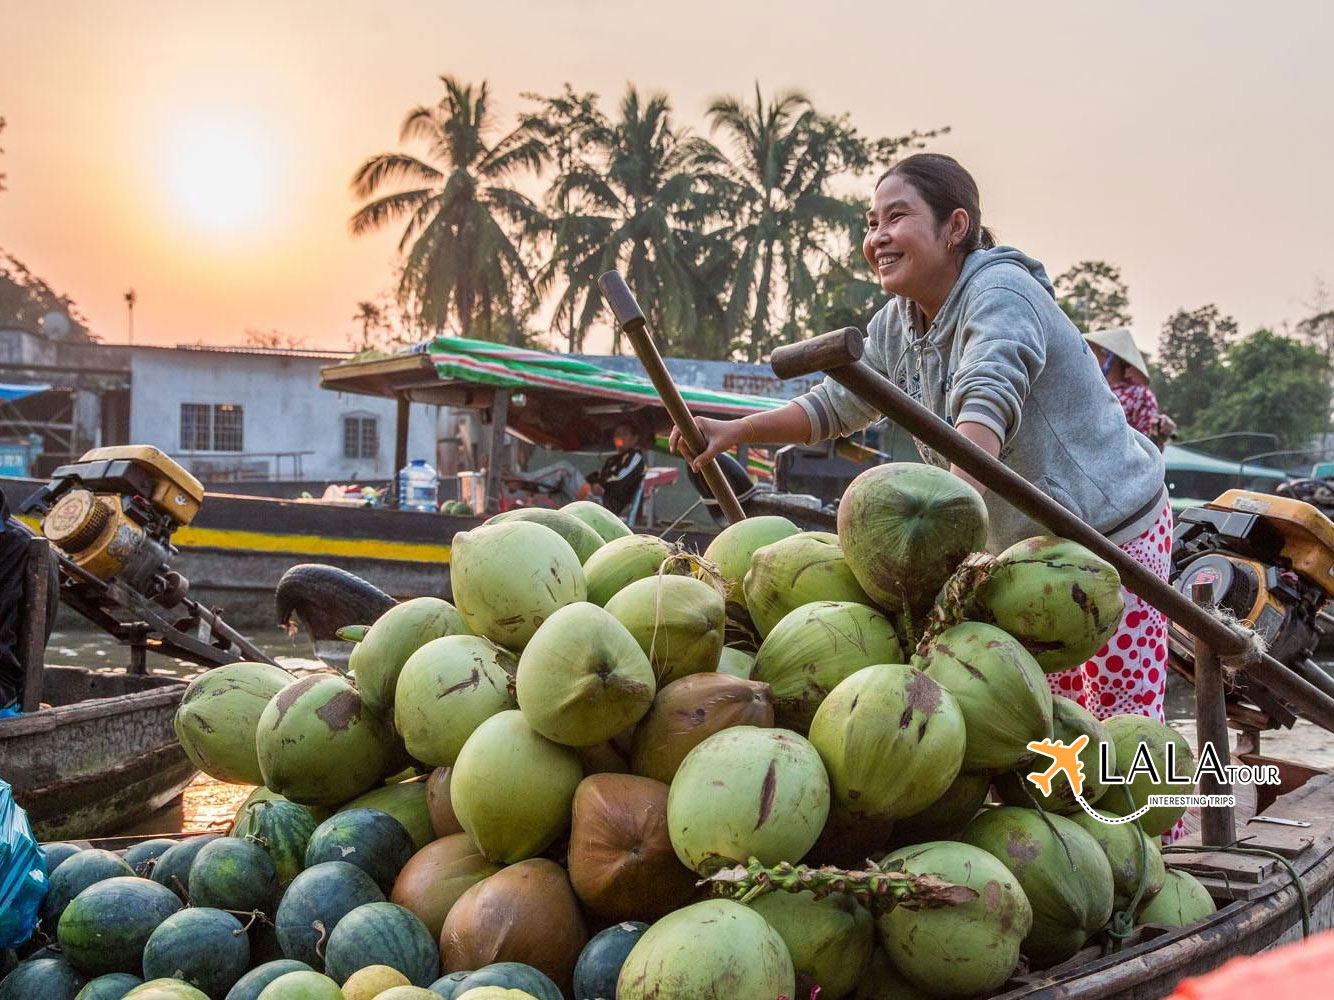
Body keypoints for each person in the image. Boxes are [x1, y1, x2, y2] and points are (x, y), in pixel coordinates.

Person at [671, 152, 1174, 733]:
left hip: (1109, 532)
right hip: (1025, 552)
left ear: (955, 227)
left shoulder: (1001, 291)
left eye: (896, 217)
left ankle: (1153, 825)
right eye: (871, 222)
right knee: (1041, 718)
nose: (878, 237)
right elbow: (837, 405)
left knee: (1122, 717)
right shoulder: (898, 322)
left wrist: (949, 529)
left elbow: (990, 394)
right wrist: (734, 431)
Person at [1085, 328, 1177, 450]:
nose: (1091, 358)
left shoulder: (1140, 395)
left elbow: (1148, 448)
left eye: (1095, 353)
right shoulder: (1090, 390)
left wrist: (1159, 435)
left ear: (1111, 358)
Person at [583, 422, 646, 517]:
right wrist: (595, 483)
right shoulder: (611, 460)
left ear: (635, 439)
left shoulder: (635, 456)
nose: (620, 438)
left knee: (563, 468)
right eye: (617, 434)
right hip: (593, 498)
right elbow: (594, 476)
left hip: (609, 506)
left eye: (624, 434)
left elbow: (619, 480)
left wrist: (601, 486)